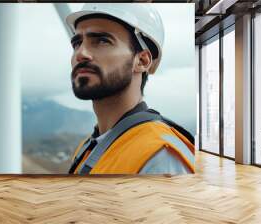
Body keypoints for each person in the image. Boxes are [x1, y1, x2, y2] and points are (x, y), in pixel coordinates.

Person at [66, 3, 195, 174]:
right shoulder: (88, 148)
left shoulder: (159, 155)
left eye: (102, 41)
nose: (80, 53)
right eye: (77, 43)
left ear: (142, 61)